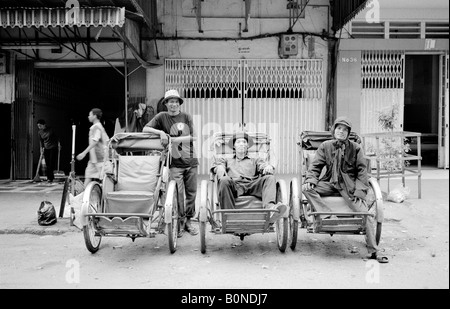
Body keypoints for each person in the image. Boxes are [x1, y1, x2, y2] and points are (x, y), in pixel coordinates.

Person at [302, 117, 389, 263]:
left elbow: (363, 171)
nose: (341, 132)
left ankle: (373, 250)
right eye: (339, 128)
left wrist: (360, 192)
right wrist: (310, 180)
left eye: (344, 129)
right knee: (306, 189)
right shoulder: (325, 146)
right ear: (334, 130)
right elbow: (315, 166)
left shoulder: (356, 148)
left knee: (365, 214)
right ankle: (328, 215)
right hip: (330, 182)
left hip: (349, 187)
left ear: (348, 133)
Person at [143, 89, 199, 237]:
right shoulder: (162, 117)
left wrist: (175, 140)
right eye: (170, 101)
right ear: (166, 104)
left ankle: (188, 221)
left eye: (176, 101)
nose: (173, 104)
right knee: (177, 194)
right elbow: (145, 128)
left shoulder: (186, 116)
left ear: (179, 103)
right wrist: (160, 132)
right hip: (174, 163)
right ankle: (179, 222)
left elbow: (194, 137)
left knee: (192, 194)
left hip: (191, 161)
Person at [211, 132, 287, 223]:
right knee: (224, 180)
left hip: (252, 184)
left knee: (270, 178)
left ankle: (270, 209)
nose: (241, 144)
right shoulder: (227, 160)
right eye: (238, 142)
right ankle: (229, 216)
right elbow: (218, 165)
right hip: (235, 186)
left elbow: (262, 165)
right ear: (234, 146)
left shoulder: (255, 159)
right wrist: (219, 168)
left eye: (244, 142)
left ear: (247, 146)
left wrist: (267, 167)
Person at [76, 108, 110, 186]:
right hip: (94, 158)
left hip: (99, 158)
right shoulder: (98, 127)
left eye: (90, 115)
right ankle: (83, 196)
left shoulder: (96, 127)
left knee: (103, 178)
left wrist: (84, 153)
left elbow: (95, 141)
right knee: (88, 176)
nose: (88, 116)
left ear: (94, 116)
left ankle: (86, 195)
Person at [37, 119, 59, 184]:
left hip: (53, 147)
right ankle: (49, 177)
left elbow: (56, 137)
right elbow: (41, 141)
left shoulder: (51, 129)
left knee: (52, 163)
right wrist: (41, 149)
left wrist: (59, 144)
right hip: (46, 148)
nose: (39, 127)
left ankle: (50, 177)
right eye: (38, 126)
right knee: (47, 163)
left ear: (44, 125)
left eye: (40, 125)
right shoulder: (39, 132)